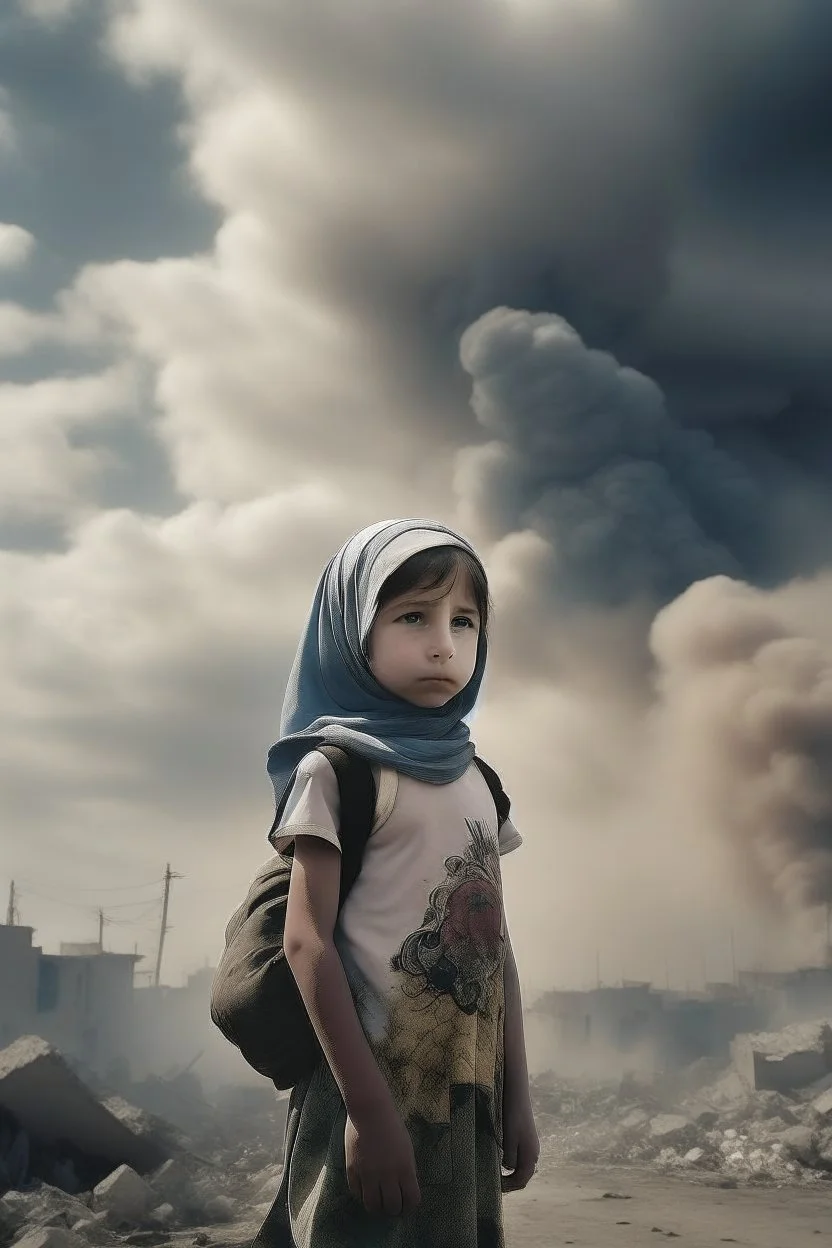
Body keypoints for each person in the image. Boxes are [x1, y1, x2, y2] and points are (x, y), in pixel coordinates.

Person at [254, 518, 538, 1248]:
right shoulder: (339, 771)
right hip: (368, 1092)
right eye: (413, 615)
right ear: (352, 630)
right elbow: (306, 943)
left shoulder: (480, 780)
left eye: (465, 620)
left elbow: (495, 948)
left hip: (465, 1096)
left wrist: (518, 1098)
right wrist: (369, 1116)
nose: (445, 643)